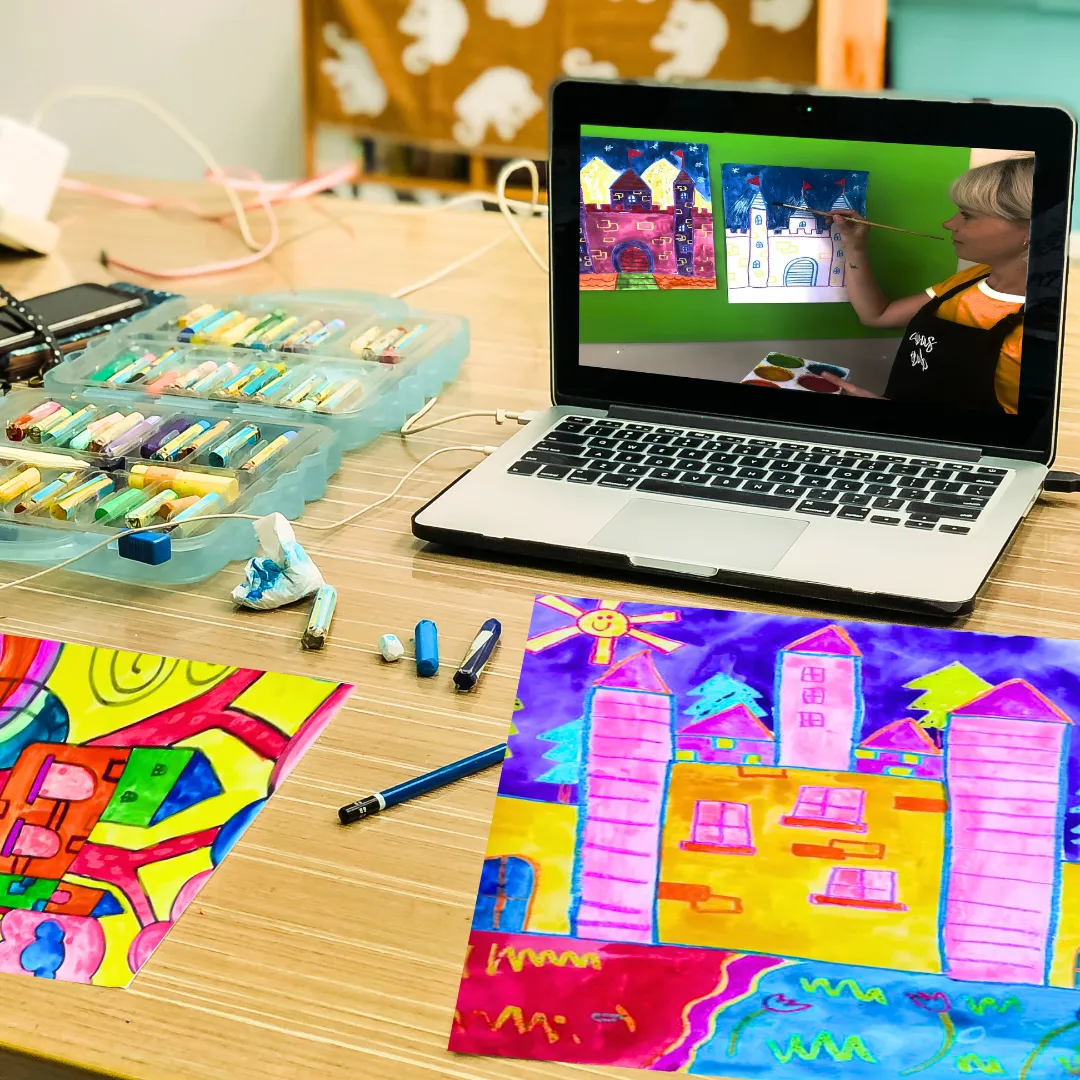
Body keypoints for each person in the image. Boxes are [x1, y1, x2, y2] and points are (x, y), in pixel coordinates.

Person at [822, 155, 1033, 413]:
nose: (948, 224)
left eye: (967, 215)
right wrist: (854, 246)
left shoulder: (1047, 330)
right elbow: (877, 315)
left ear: (1032, 229)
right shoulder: (973, 278)